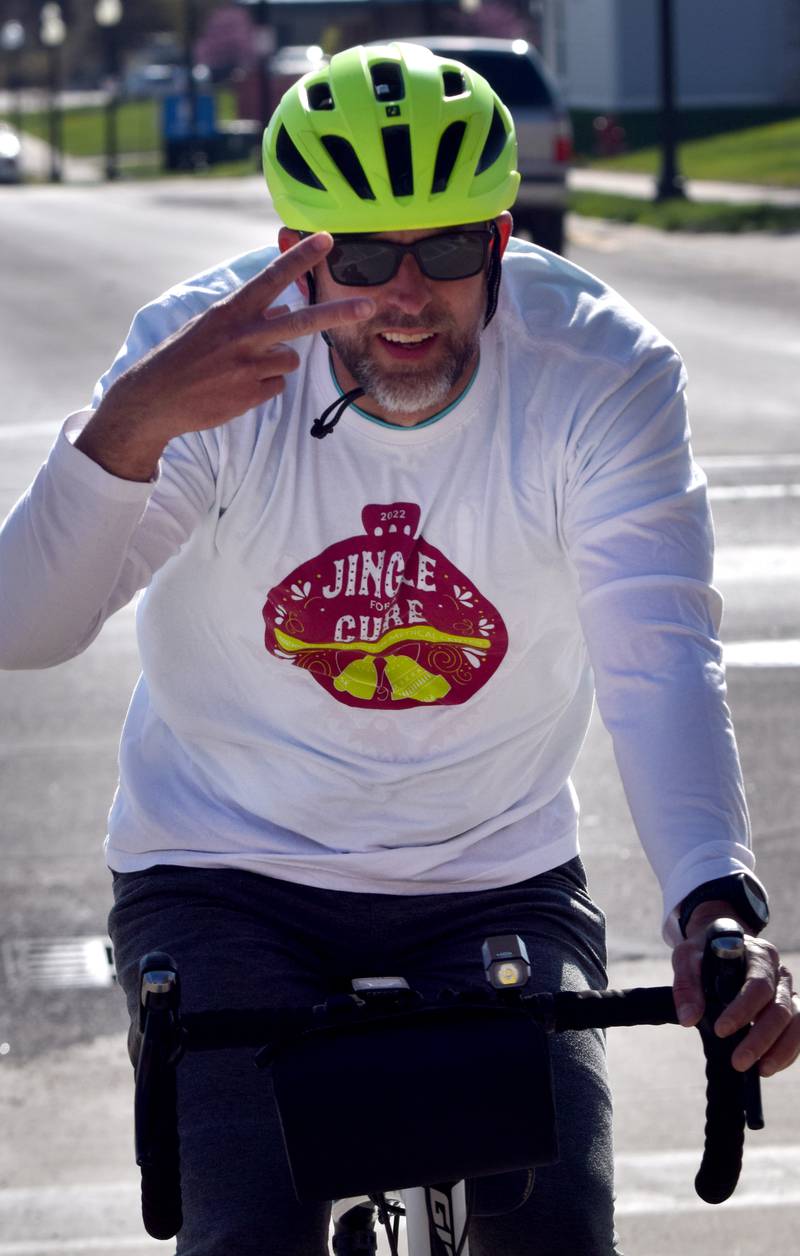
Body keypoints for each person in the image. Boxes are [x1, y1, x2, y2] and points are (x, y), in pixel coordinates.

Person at [0, 40, 797, 1256]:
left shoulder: (602, 366)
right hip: (222, 868)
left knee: (558, 1235)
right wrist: (130, 426)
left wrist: (712, 898)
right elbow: (28, 626)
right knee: (246, 1233)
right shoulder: (203, 364)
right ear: (291, 257)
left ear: (502, 231)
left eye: (449, 249)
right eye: (360, 258)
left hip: (492, 868)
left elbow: (655, 647)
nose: (407, 297)